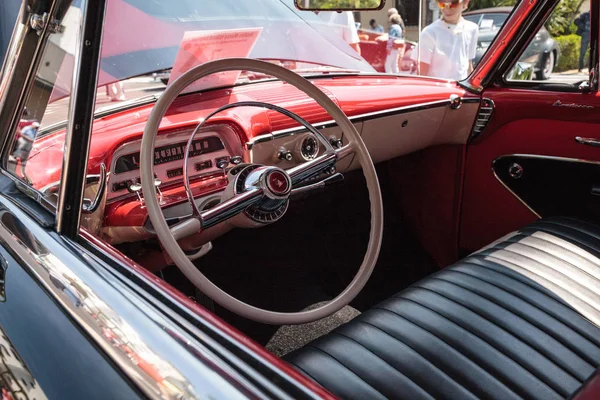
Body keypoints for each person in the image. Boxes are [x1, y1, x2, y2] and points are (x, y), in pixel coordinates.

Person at [412, 0, 478, 81]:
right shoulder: (429, 32)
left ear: (465, 3)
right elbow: (421, 75)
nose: (447, 8)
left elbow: (468, 64)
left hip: (461, 90)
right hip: (438, 89)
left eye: (453, 4)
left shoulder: (472, 29)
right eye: (442, 3)